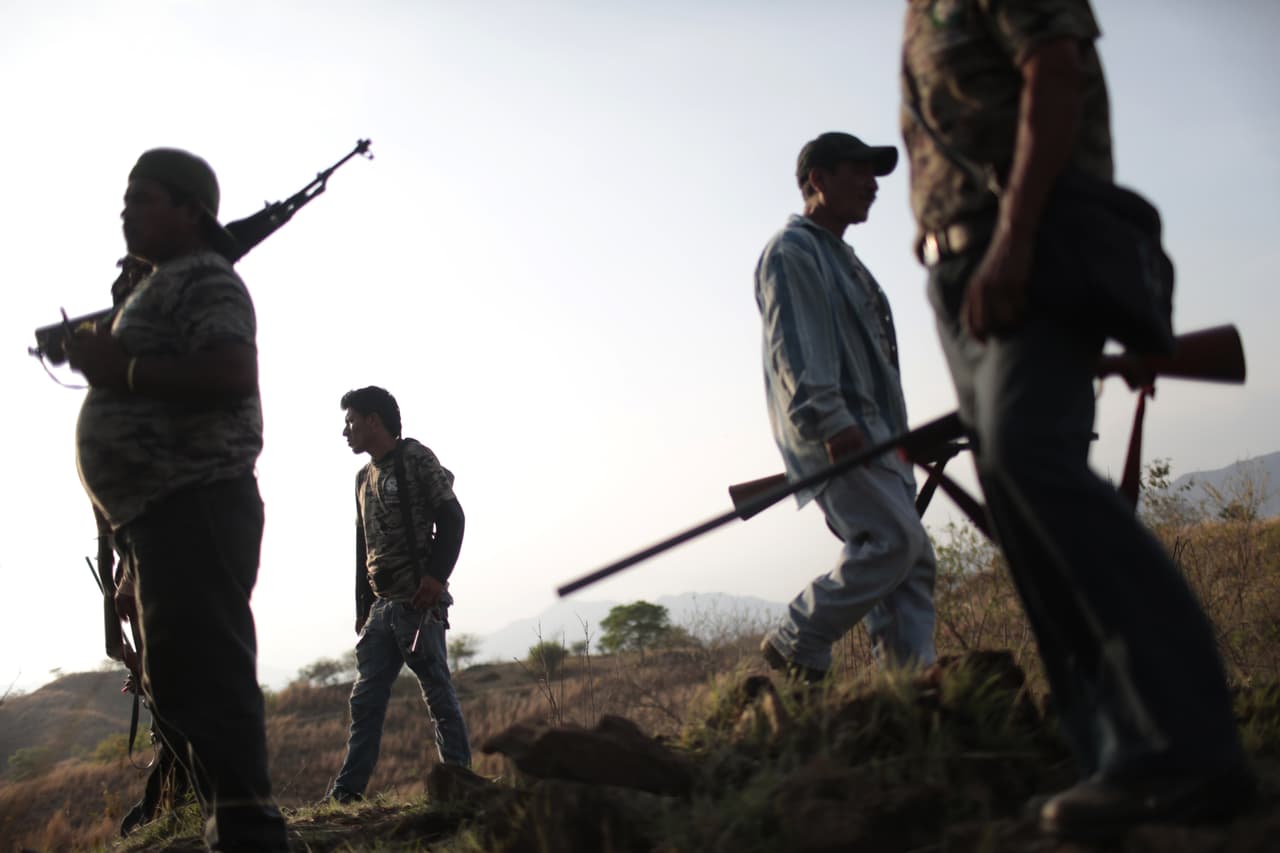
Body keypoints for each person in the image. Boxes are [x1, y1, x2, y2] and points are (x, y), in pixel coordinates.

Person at [900, 0, 1254, 840]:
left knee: (1032, 460)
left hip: (1025, 246)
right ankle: (1113, 758)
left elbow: (1054, 69)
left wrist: (1016, 239)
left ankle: (1185, 748)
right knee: (1020, 503)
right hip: (962, 272)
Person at [67, 148, 288, 850]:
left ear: (191, 211)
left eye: (144, 199)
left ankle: (250, 833)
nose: (126, 212)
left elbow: (232, 370)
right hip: (159, 515)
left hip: (198, 502)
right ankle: (233, 828)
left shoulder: (206, 278)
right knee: (180, 681)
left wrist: (122, 369)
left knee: (212, 675)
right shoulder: (160, 287)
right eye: (124, 200)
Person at [754, 132, 937, 683]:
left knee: (911, 562)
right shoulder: (792, 251)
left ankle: (908, 686)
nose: (872, 184)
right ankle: (799, 635)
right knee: (893, 542)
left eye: (873, 173)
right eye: (857, 171)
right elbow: (796, 347)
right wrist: (832, 422)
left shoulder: (846, 260)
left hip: (880, 435)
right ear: (818, 180)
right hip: (843, 434)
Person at [325, 386, 471, 804]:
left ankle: (459, 785)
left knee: (437, 694)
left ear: (374, 421)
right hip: (382, 608)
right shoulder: (362, 478)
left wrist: (436, 578)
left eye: (351, 422)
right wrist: (363, 607)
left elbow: (453, 518)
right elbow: (363, 547)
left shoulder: (416, 458)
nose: (346, 431)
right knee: (365, 701)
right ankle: (346, 794)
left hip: (418, 603)